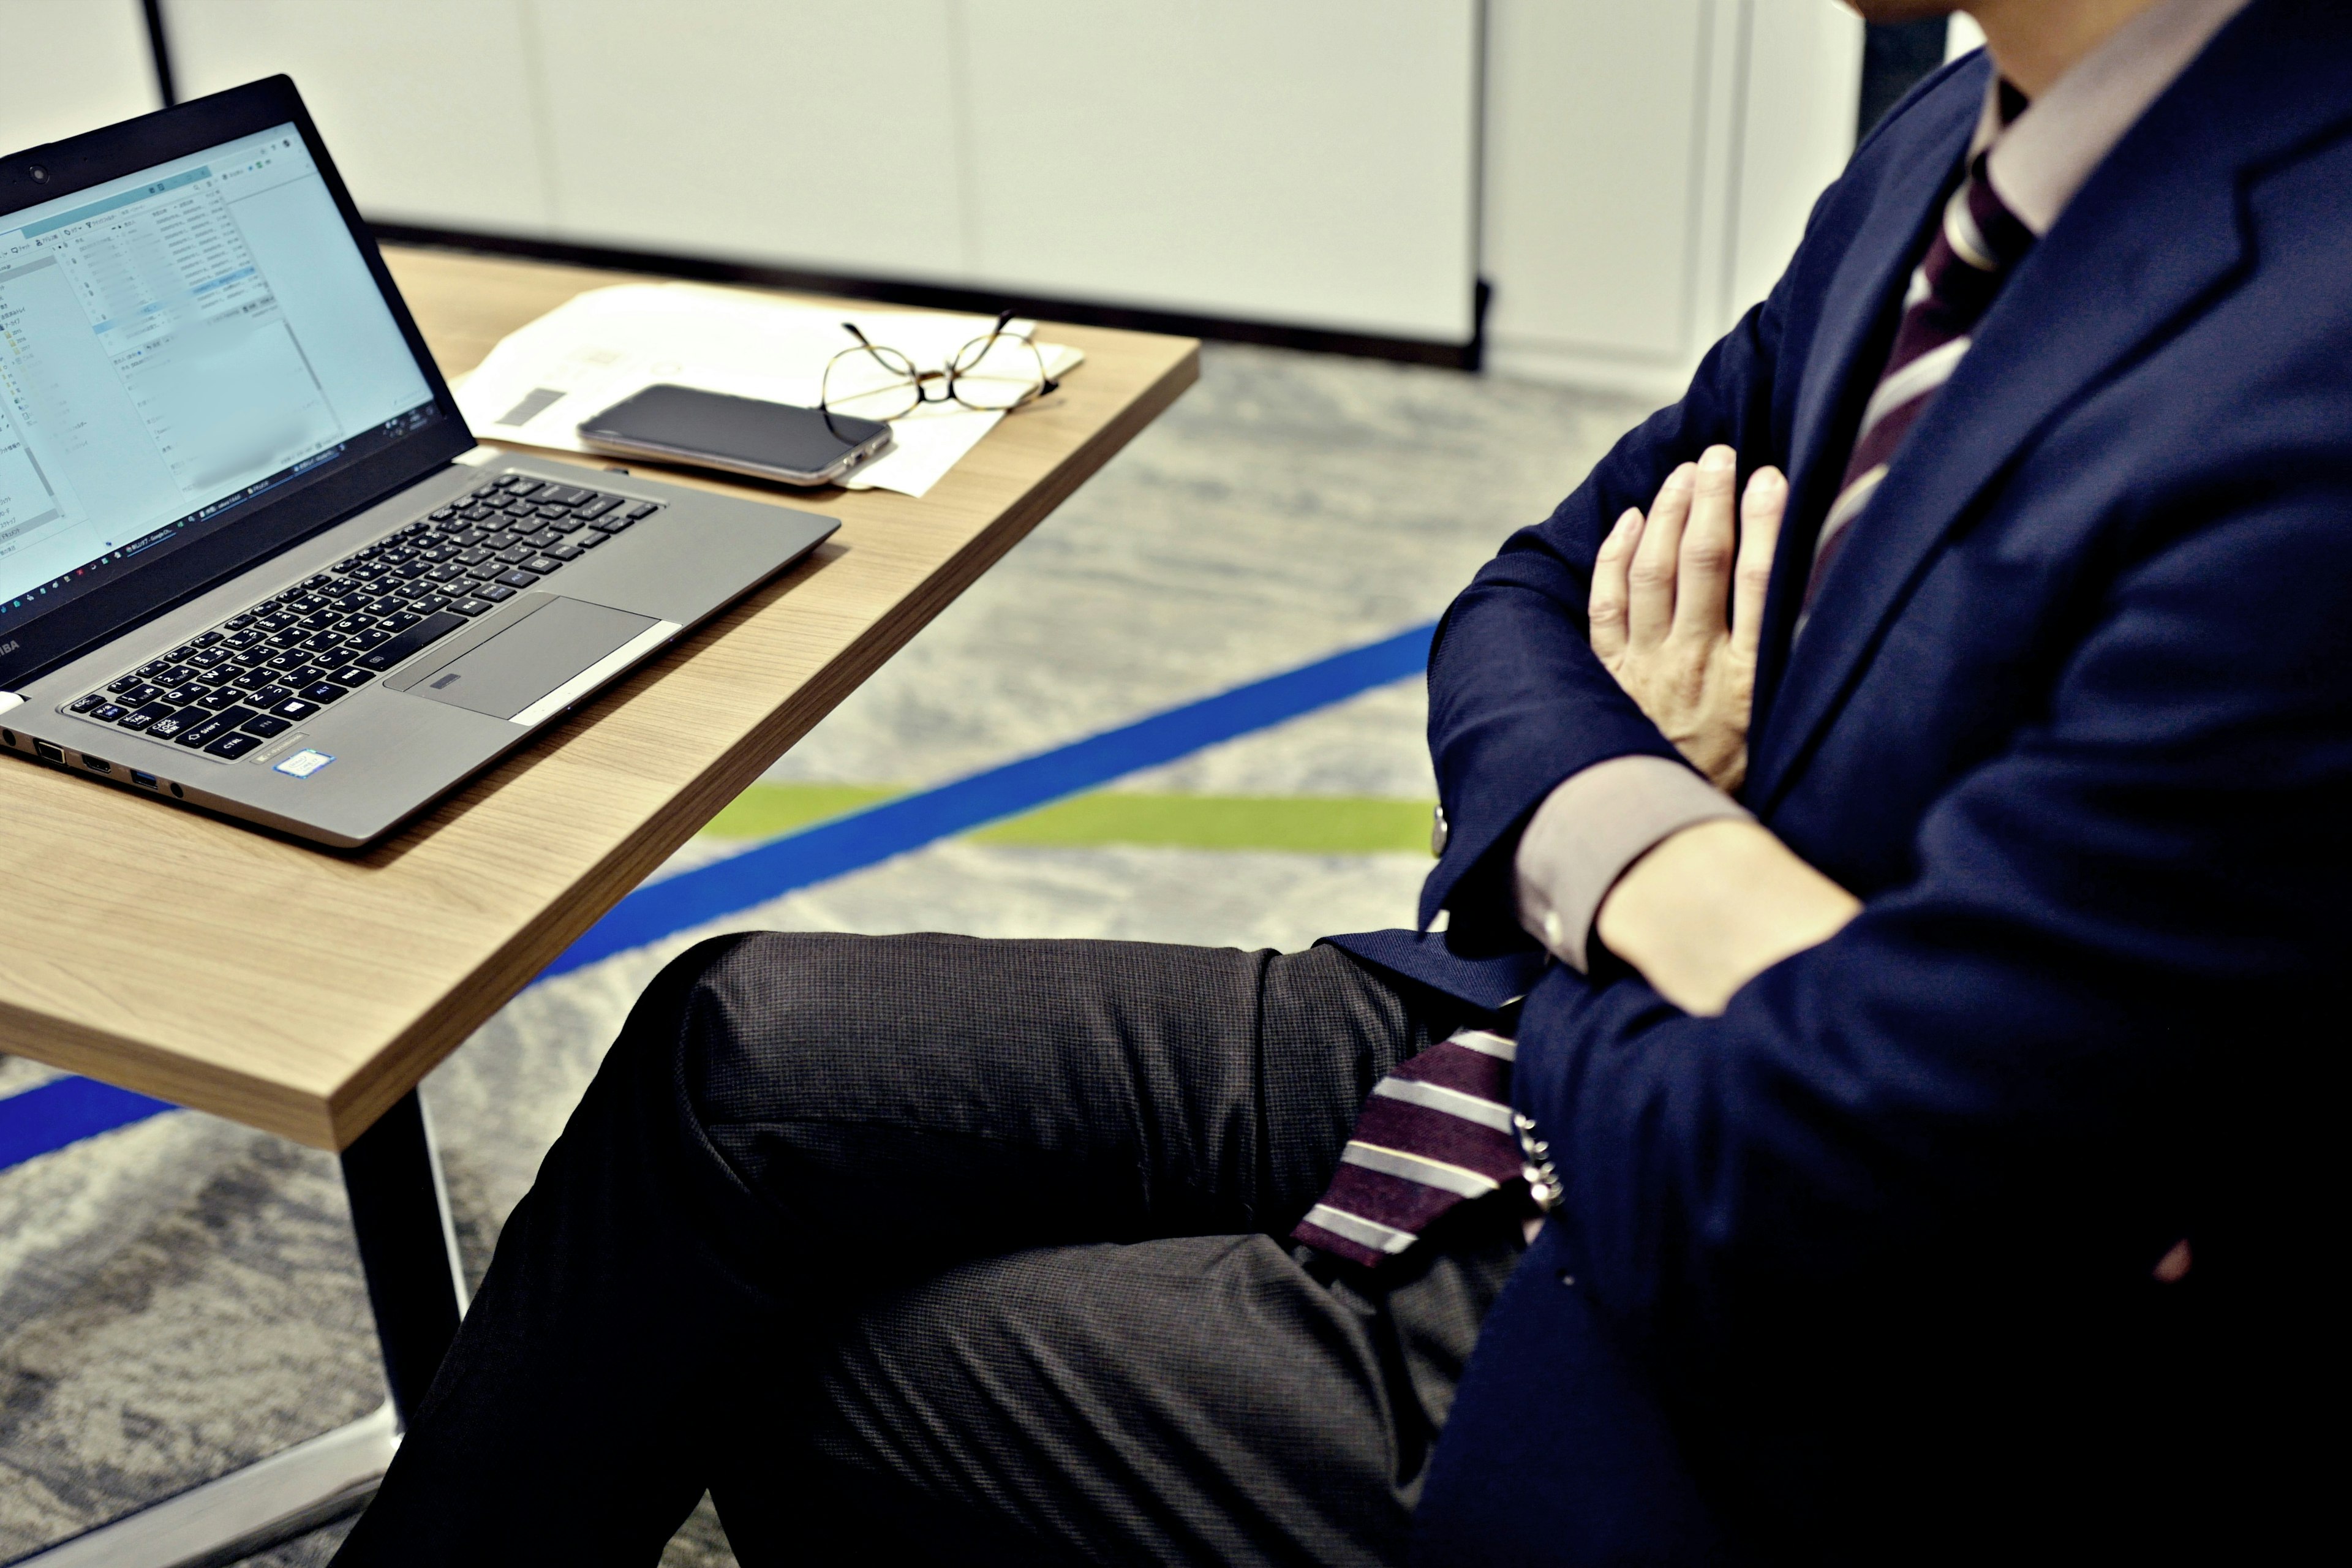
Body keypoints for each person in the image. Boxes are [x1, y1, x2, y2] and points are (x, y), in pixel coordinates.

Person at [331, 0, 2348, 1561]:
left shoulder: (2307, 379)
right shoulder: (1960, 135)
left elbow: (1844, 1173)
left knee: (830, 1388)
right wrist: (1676, 861)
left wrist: (1694, 904)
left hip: (1768, 1353)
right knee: (736, 1053)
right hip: (1579, 1018)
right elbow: (1527, 600)